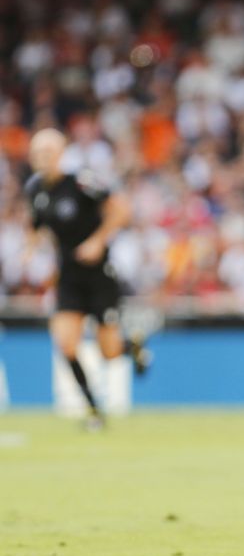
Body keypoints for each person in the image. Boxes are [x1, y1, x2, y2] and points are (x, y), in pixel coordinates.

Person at [26, 128, 150, 429]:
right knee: (66, 344)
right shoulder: (35, 190)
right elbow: (37, 225)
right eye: (38, 153)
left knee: (108, 352)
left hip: (98, 274)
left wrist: (97, 240)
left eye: (48, 152)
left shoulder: (81, 182)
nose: (42, 159)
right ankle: (94, 411)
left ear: (60, 154)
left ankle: (131, 345)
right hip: (68, 275)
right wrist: (31, 251)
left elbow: (121, 210)